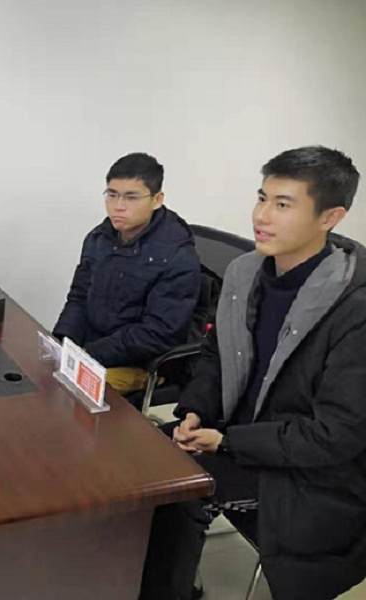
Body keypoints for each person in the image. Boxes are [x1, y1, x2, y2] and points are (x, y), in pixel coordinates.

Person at [139, 146, 366, 600]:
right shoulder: (246, 274)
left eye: (283, 204)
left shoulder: (354, 310)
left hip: (309, 475)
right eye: (262, 198)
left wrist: (226, 442)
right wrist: (196, 411)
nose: (261, 216)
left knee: (174, 493)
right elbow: (215, 355)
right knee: (138, 464)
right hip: (238, 438)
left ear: (330, 217)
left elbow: (335, 436)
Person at [53, 152, 201, 393]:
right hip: (92, 349)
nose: (118, 206)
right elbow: (79, 296)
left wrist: (89, 354)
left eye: (131, 197)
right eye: (112, 195)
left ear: (157, 200)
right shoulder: (99, 237)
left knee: (65, 391)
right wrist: (63, 341)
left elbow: (158, 334)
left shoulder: (177, 256)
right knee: (39, 372)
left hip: (137, 363)